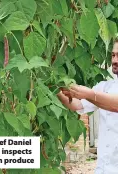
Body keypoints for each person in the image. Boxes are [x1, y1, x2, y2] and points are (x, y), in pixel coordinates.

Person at [57, 39, 118, 174]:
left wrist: (89, 94)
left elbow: (115, 104)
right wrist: (58, 91)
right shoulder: (105, 87)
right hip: (103, 168)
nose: (114, 60)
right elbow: (77, 105)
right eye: (113, 55)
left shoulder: (98, 92)